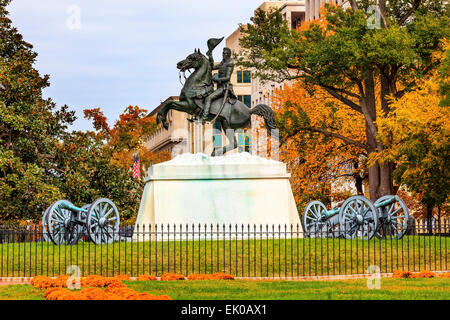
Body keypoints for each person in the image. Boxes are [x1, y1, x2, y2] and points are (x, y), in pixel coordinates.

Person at [202, 47, 234, 122]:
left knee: (208, 98)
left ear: (228, 54)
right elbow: (212, 67)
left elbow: (227, 78)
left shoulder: (230, 63)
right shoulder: (223, 62)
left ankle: (204, 118)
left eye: (224, 53)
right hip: (219, 86)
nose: (222, 55)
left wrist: (216, 79)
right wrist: (210, 56)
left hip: (224, 87)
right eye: (222, 53)